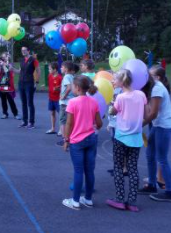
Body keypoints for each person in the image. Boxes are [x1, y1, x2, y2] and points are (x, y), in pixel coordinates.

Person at [106, 69, 147, 212]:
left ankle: (119, 199)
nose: (113, 81)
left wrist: (111, 104)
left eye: (115, 79)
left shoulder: (121, 97)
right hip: (136, 137)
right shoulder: (141, 94)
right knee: (133, 168)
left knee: (118, 166)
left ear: (122, 82)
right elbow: (144, 111)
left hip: (121, 136)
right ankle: (132, 201)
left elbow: (113, 112)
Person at [62, 75, 102, 210]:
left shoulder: (72, 102)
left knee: (78, 171)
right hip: (91, 138)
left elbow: (69, 123)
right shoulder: (93, 102)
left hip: (77, 141)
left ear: (77, 88)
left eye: (73, 86)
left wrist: (66, 140)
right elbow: (99, 123)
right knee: (89, 170)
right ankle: (88, 199)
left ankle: (75, 201)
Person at [138, 66, 171, 202]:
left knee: (162, 158)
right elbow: (150, 110)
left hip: (163, 126)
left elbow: (153, 113)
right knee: (150, 154)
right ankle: (152, 184)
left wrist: (140, 125)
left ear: (156, 77)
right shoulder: (153, 88)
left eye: (149, 74)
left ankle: (170, 191)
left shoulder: (157, 88)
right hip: (158, 125)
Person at [13, 47, 40, 128]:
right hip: (21, 83)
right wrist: (12, 69)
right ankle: (24, 121)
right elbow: (19, 71)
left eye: (25, 50)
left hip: (29, 83)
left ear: (28, 51)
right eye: (22, 51)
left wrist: (37, 82)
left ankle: (31, 122)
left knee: (30, 103)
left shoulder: (33, 60)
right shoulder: (21, 60)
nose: (23, 52)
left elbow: (38, 71)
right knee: (23, 102)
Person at [57, 62, 77, 145]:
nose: (61, 68)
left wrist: (64, 96)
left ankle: (65, 138)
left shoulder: (66, 77)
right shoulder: (72, 76)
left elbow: (68, 87)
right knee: (70, 121)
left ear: (66, 69)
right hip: (72, 102)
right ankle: (70, 137)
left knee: (63, 121)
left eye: (62, 67)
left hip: (65, 103)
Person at [0, 52, 18, 119]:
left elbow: (7, 71)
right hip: (2, 85)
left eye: (5, 56)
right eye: (2, 57)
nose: (3, 58)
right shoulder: (1, 64)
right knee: (3, 100)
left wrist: (4, 65)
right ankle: (5, 113)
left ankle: (15, 114)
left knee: (11, 100)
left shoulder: (10, 64)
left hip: (8, 86)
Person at [46, 62, 62, 134]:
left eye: (50, 69)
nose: (49, 70)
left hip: (58, 99)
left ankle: (61, 130)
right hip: (51, 98)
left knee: (60, 114)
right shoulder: (49, 76)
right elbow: (50, 85)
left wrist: (58, 89)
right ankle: (53, 128)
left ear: (55, 69)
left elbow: (62, 88)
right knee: (52, 113)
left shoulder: (60, 78)